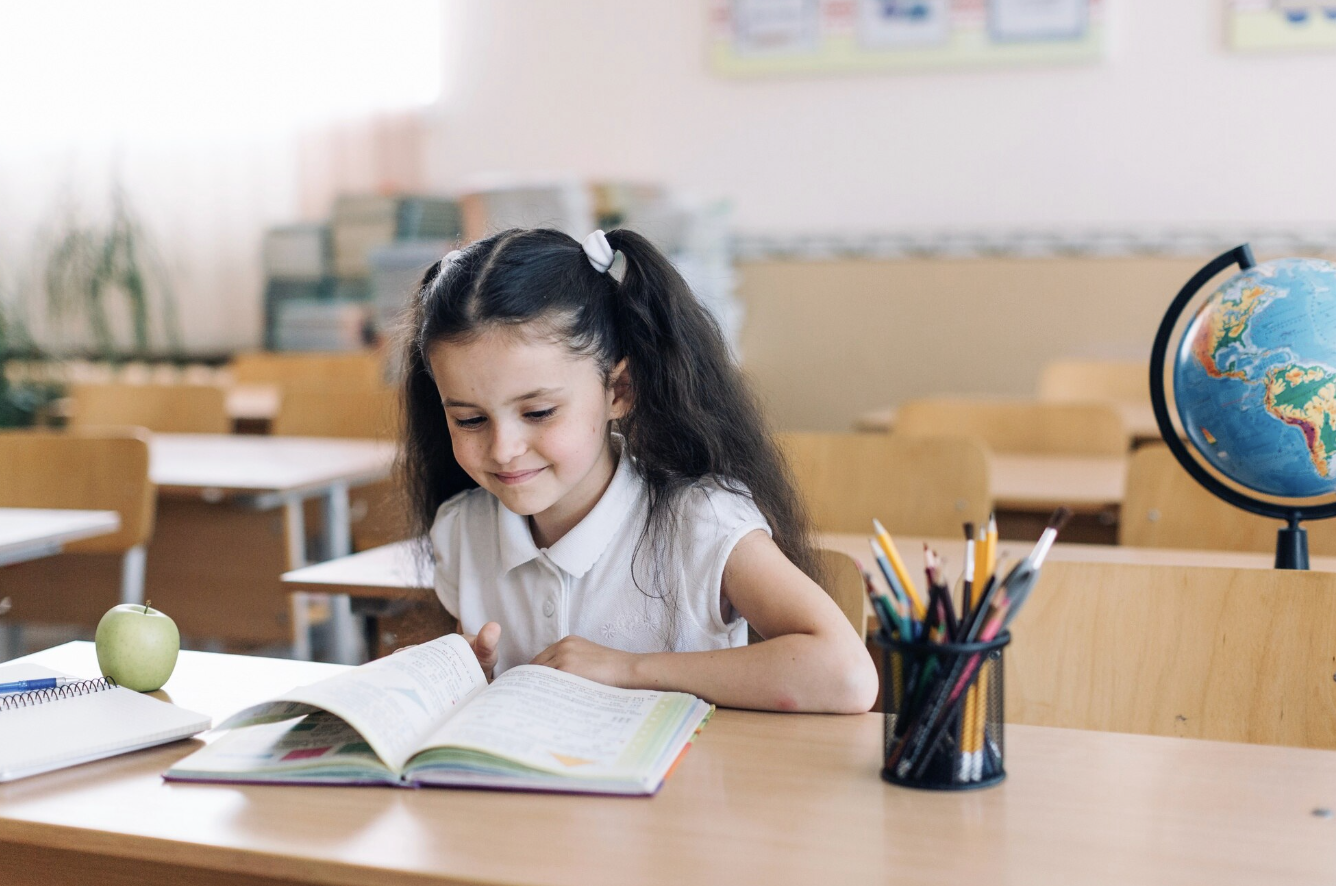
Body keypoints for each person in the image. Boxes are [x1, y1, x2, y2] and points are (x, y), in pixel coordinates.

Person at [400, 227, 877, 713]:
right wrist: (462, 680)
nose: (503, 449)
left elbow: (847, 675)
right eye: (470, 420)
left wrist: (627, 669)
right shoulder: (461, 530)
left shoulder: (702, 523)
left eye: (539, 412)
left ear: (619, 390)